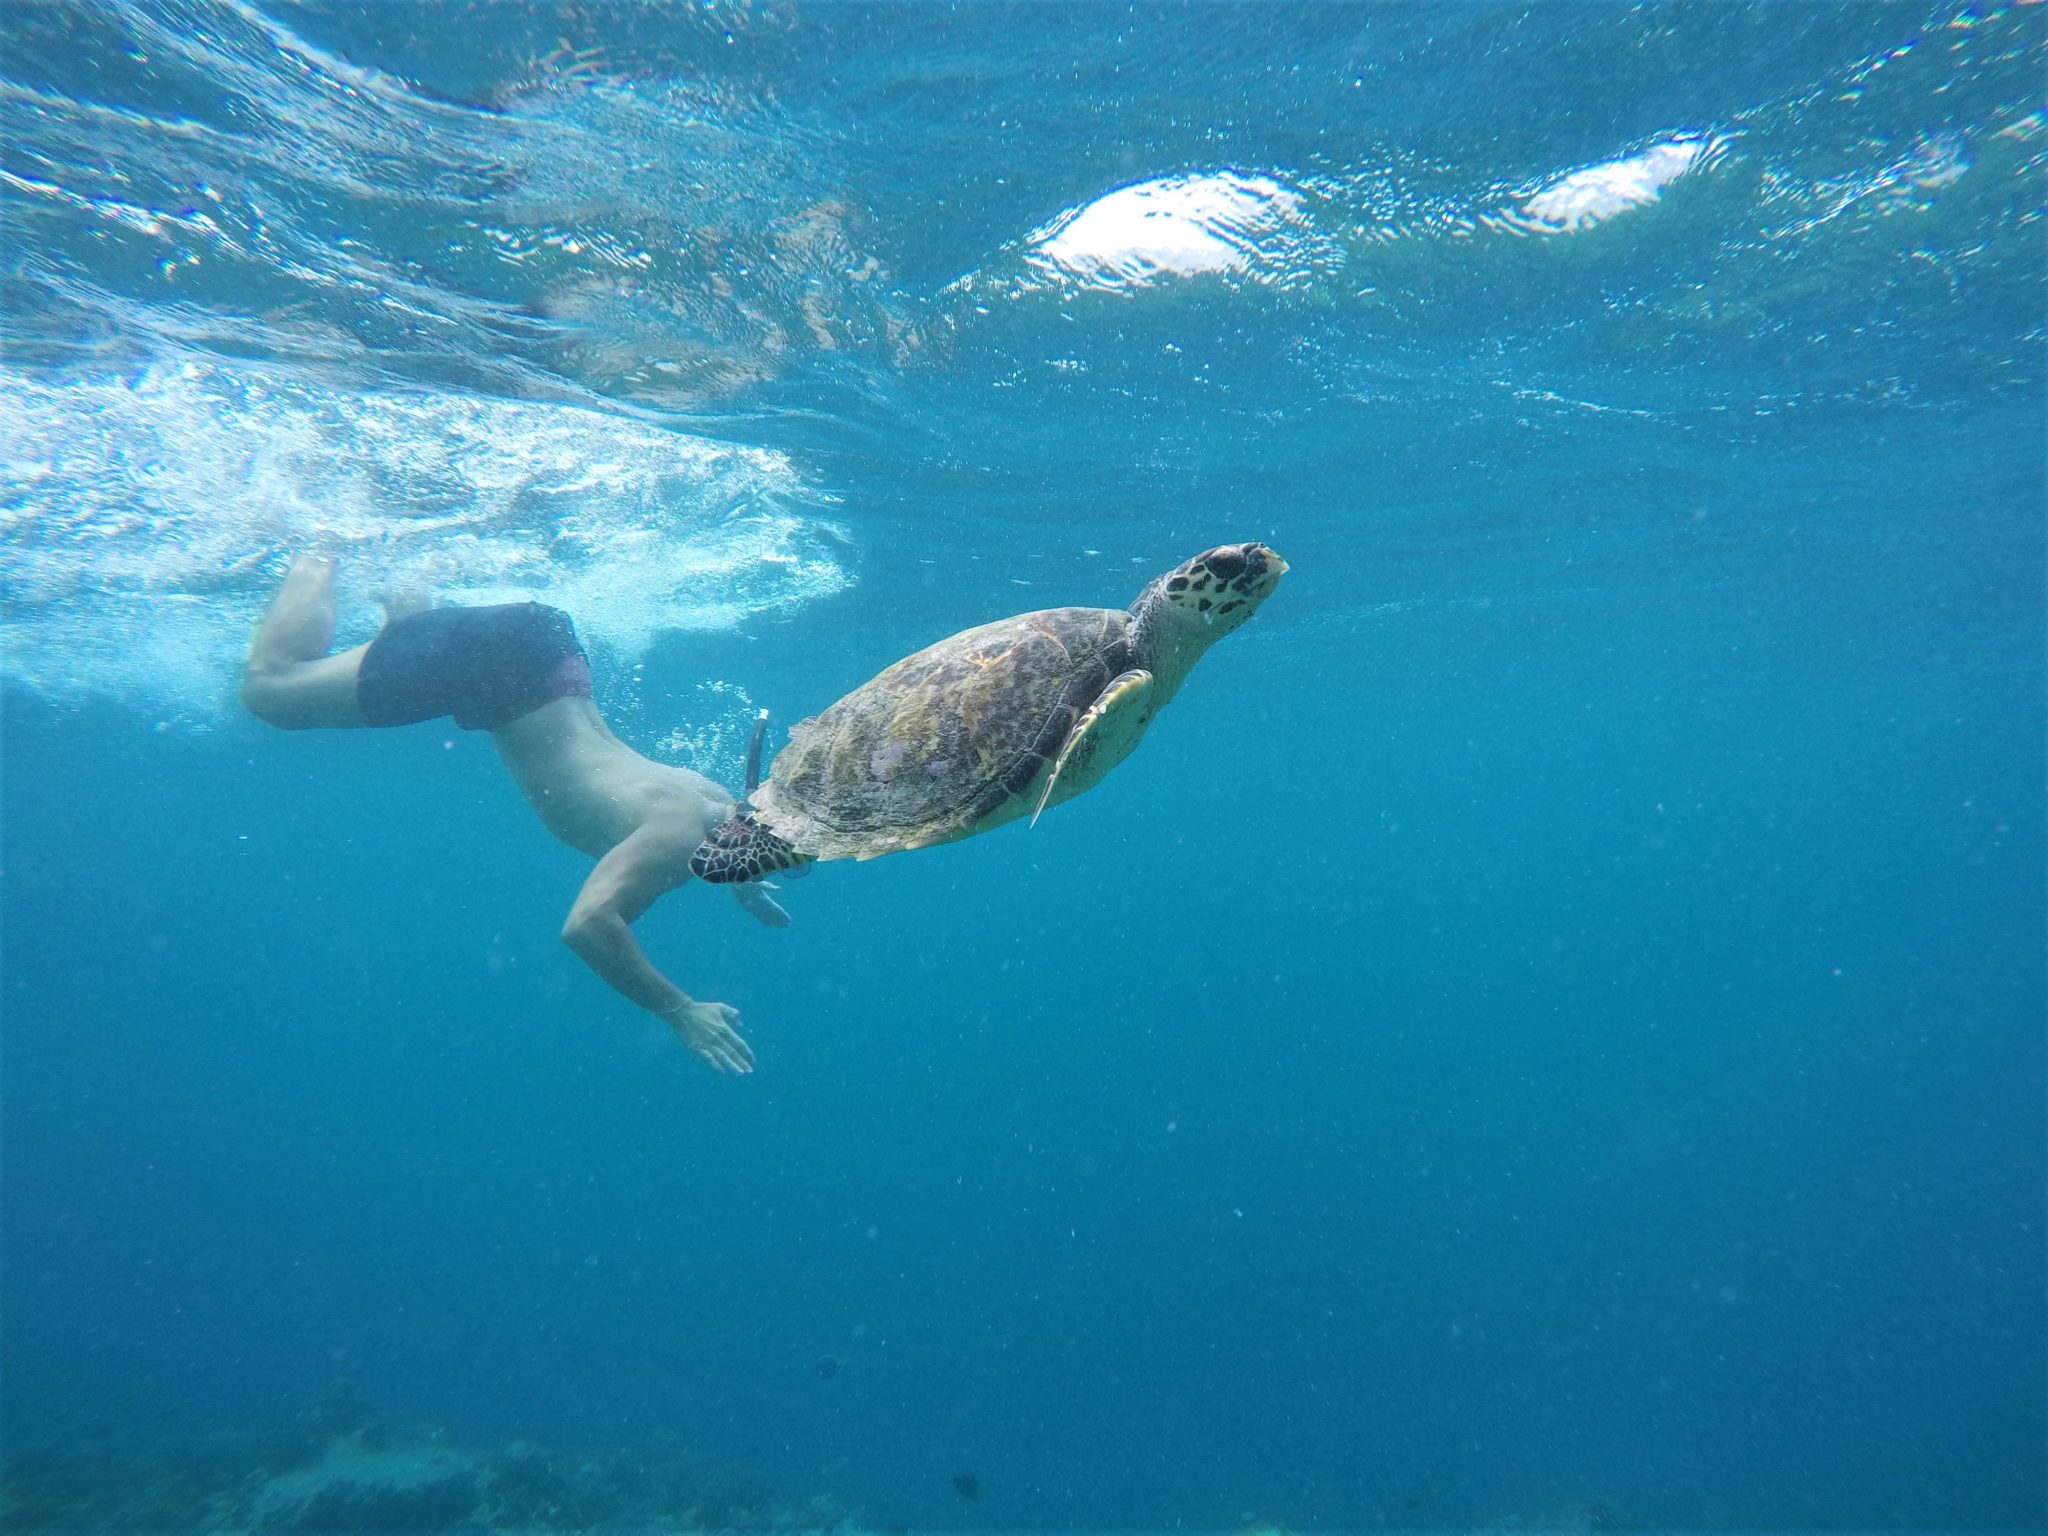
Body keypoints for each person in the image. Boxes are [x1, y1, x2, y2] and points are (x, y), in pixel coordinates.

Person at [240, 554, 782, 1074]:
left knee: (412, 631)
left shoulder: (708, 796)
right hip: (492, 668)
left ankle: (404, 569)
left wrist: (745, 882)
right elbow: (588, 928)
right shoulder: (679, 836)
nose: (779, 868)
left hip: (541, 654)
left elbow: (744, 827)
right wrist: (679, 1010)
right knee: (270, 691)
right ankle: (319, 550)